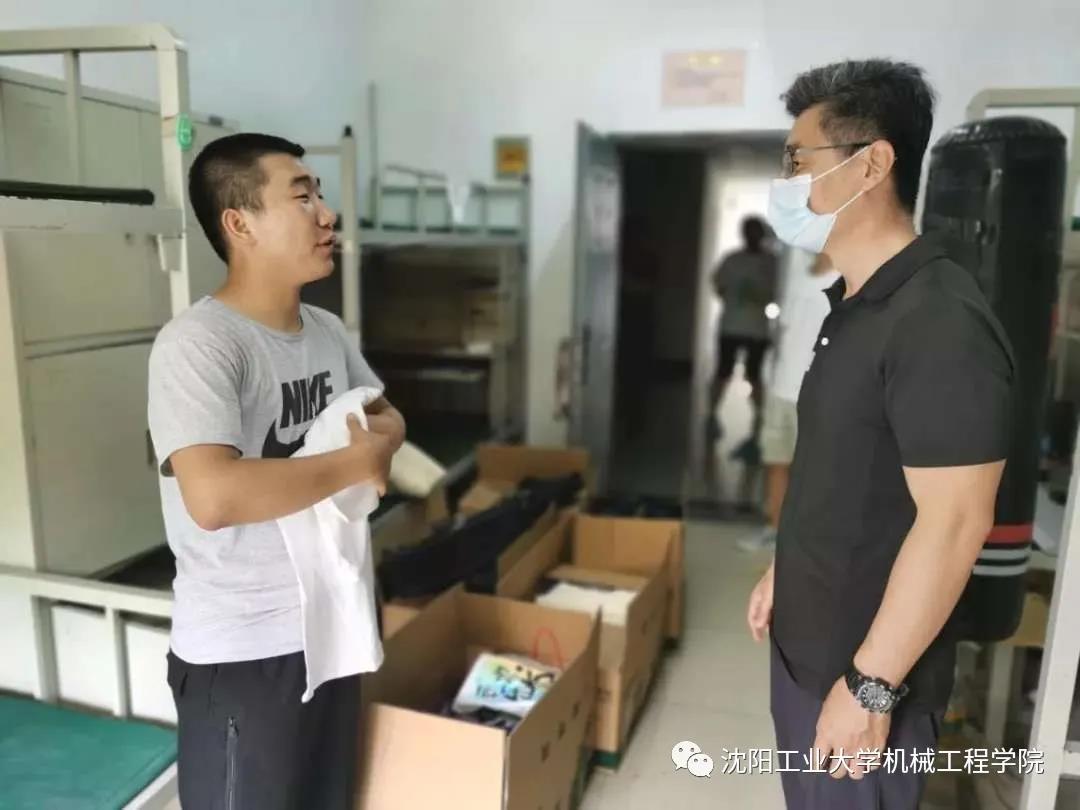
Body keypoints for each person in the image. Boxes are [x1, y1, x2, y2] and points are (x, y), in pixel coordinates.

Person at [746, 60, 1014, 809]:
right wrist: (789, 568)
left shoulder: (938, 321)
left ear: (871, 165)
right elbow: (851, 470)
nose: (787, 183)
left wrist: (870, 687)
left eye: (798, 161)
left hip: (865, 683)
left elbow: (955, 522)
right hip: (812, 653)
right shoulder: (858, 303)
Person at [148, 133, 406, 810]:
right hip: (242, 653)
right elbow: (214, 496)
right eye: (302, 197)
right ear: (240, 224)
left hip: (331, 626)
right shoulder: (200, 345)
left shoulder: (326, 330)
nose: (326, 214)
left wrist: (378, 446)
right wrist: (357, 460)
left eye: (319, 194)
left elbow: (388, 415)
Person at [738, 249, 838, 553]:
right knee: (776, 462)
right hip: (781, 388)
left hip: (817, 392)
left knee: (815, 472)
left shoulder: (846, 279)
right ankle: (775, 530)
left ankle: (811, 540)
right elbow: (785, 331)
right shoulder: (799, 276)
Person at [707, 216, 780, 449]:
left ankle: (758, 417)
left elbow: (777, 292)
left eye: (756, 231)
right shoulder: (733, 260)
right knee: (723, 372)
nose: (752, 236)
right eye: (749, 231)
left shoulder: (771, 263)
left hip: (755, 329)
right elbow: (718, 286)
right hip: (732, 326)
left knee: (753, 374)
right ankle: (712, 414)